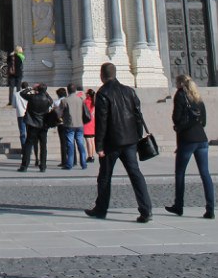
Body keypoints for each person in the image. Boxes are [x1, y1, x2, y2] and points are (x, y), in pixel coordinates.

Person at [85, 62, 153, 223]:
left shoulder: (103, 93)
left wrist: (99, 145)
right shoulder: (129, 90)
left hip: (111, 142)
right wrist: (137, 136)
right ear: (115, 74)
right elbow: (138, 115)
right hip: (130, 141)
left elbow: (102, 121)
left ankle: (101, 209)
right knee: (136, 174)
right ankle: (146, 210)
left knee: (105, 177)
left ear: (102, 75)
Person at [165, 74, 215, 219]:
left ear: (180, 83)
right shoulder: (198, 97)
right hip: (202, 139)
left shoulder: (180, 95)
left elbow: (176, 117)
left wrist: (179, 126)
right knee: (205, 173)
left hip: (187, 140)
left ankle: (179, 206)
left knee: (180, 172)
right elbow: (203, 121)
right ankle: (210, 208)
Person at [17, 83, 53, 172]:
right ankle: (43, 166)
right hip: (43, 125)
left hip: (33, 124)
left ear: (37, 89)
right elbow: (51, 100)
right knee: (43, 146)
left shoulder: (32, 97)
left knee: (28, 145)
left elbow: (22, 94)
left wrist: (30, 88)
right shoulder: (47, 99)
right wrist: (45, 92)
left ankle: (24, 165)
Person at [62, 83, 88, 171]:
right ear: (75, 90)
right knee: (81, 144)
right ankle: (83, 163)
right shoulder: (80, 99)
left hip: (70, 124)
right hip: (80, 124)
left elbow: (60, 113)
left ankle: (69, 164)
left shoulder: (65, 100)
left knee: (70, 145)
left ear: (67, 90)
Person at [83, 88, 96, 162]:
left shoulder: (86, 101)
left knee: (88, 140)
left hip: (87, 122)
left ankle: (90, 156)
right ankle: (92, 155)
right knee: (92, 140)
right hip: (93, 122)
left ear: (88, 95)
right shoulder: (93, 102)